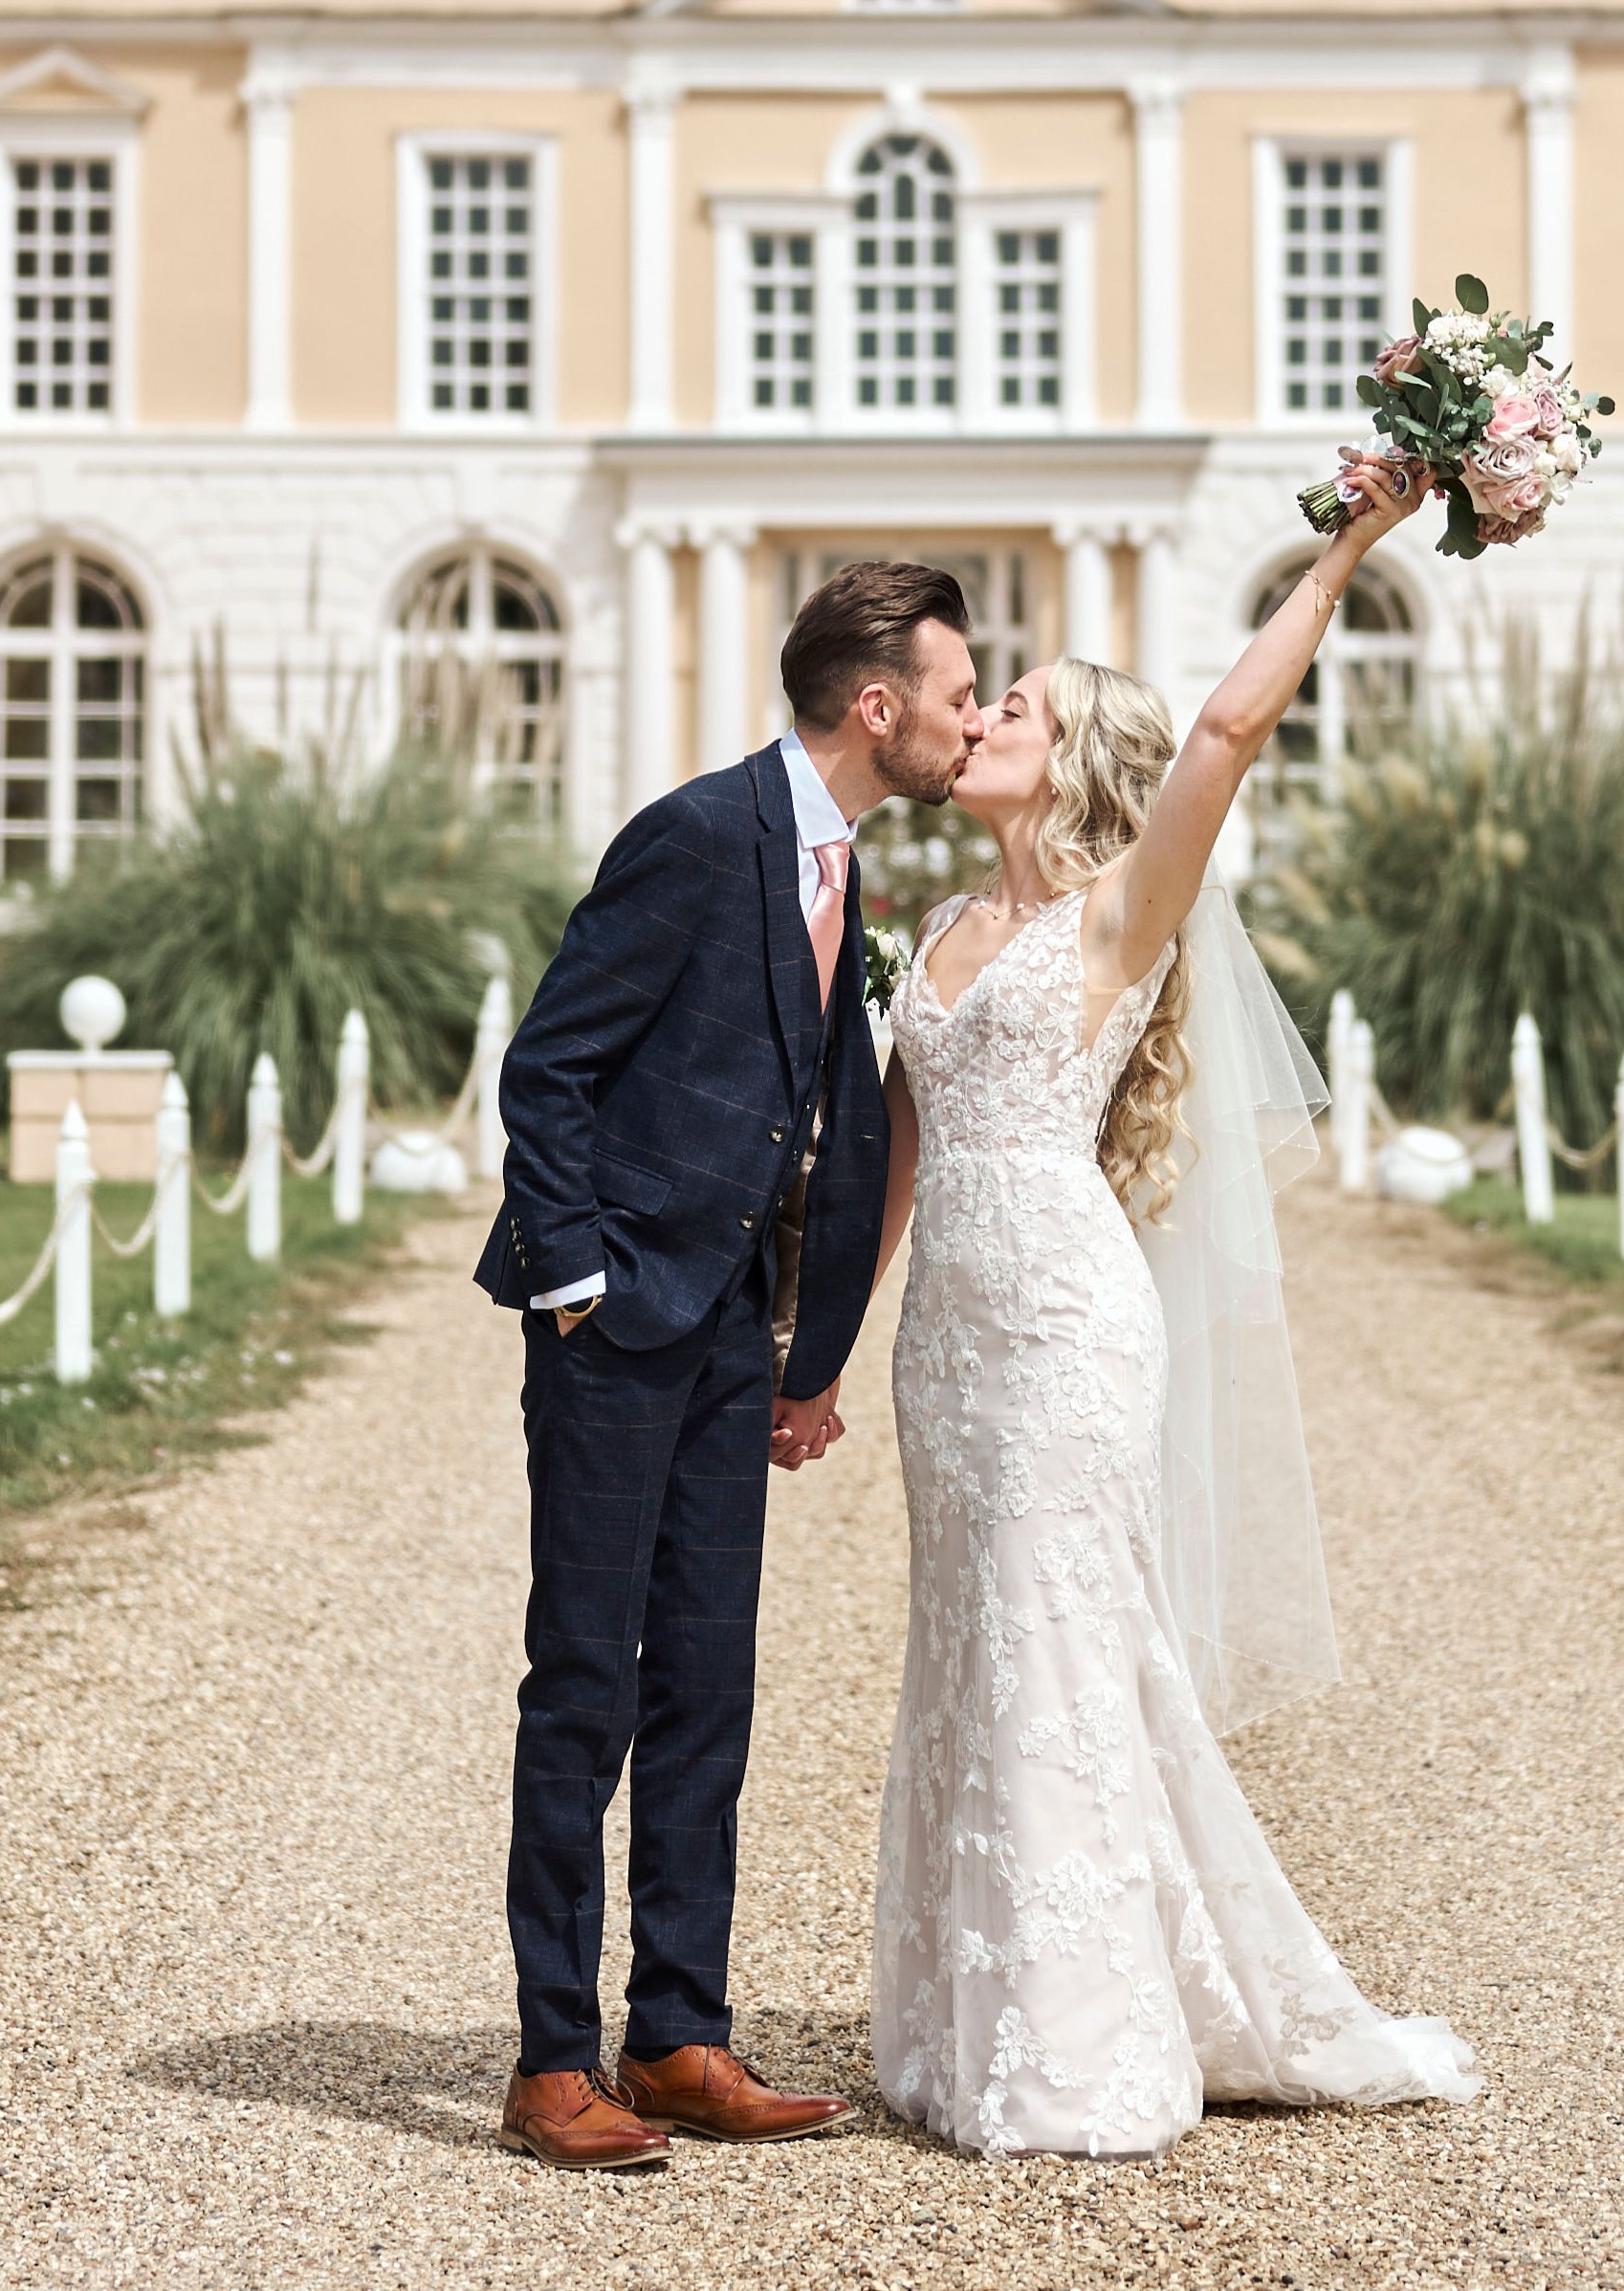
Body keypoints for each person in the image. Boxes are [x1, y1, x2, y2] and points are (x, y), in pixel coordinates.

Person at [846, 449, 1482, 2155]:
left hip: (1065, 1332)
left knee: (1060, 1641)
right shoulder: (936, 930)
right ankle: (969, 2012)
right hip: (947, 1351)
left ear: (1077, 761)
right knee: (971, 1649)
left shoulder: (1123, 914)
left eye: (1021, 706)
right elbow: (898, 1160)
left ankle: (1078, 2044)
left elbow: (1220, 735)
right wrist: (816, 1349)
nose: (980, 718)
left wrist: (1348, 546)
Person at [473, 557, 981, 2171]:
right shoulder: (699, 834)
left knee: (709, 1683)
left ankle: (679, 2029)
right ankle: (554, 2055)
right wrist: (576, 1284)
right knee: (587, 1681)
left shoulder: (846, 867)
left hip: (725, 1343)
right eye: (960, 696)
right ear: (876, 703)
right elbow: (548, 1068)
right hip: (618, 1332)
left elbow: (813, 1132)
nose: (973, 722)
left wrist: (801, 1346)